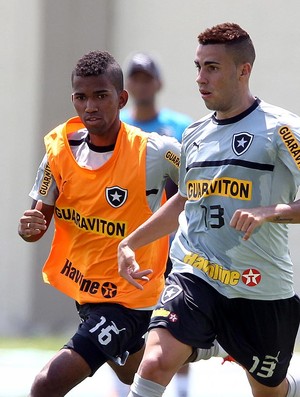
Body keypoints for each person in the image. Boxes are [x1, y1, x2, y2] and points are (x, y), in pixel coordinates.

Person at [118, 22, 300, 397]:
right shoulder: (194, 133)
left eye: (212, 67)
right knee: (155, 360)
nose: (200, 78)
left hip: (258, 287)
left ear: (243, 70)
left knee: (270, 390)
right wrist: (130, 243)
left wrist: (270, 211)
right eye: (198, 66)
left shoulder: (282, 129)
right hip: (195, 271)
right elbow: (184, 199)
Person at [18, 50, 182, 397]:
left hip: (131, 297)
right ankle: (201, 344)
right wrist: (28, 228)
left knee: (46, 385)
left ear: (121, 98)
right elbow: (37, 224)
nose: (90, 106)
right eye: (81, 97)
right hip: (87, 291)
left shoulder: (154, 150)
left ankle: (202, 336)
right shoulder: (59, 152)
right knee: (129, 373)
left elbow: (201, 184)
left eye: (100, 96)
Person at [117, 52, 194, 397]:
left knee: (177, 314)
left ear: (157, 83)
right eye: (135, 77)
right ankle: (122, 387)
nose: (141, 83)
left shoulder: (178, 127)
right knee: (124, 310)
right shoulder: (118, 126)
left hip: (172, 239)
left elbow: (190, 184)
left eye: (147, 77)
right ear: (126, 85)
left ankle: (182, 388)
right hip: (128, 237)